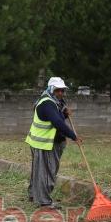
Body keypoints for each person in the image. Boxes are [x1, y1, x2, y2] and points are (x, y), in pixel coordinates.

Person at [25, 76, 82, 209]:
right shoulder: (47, 103)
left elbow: (56, 117)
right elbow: (56, 122)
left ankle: (34, 194)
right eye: (57, 90)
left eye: (62, 90)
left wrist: (65, 115)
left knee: (38, 171)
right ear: (51, 90)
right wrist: (74, 136)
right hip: (46, 144)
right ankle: (44, 201)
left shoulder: (52, 102)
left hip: (40, 142)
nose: (61, 93)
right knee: (47, 172)